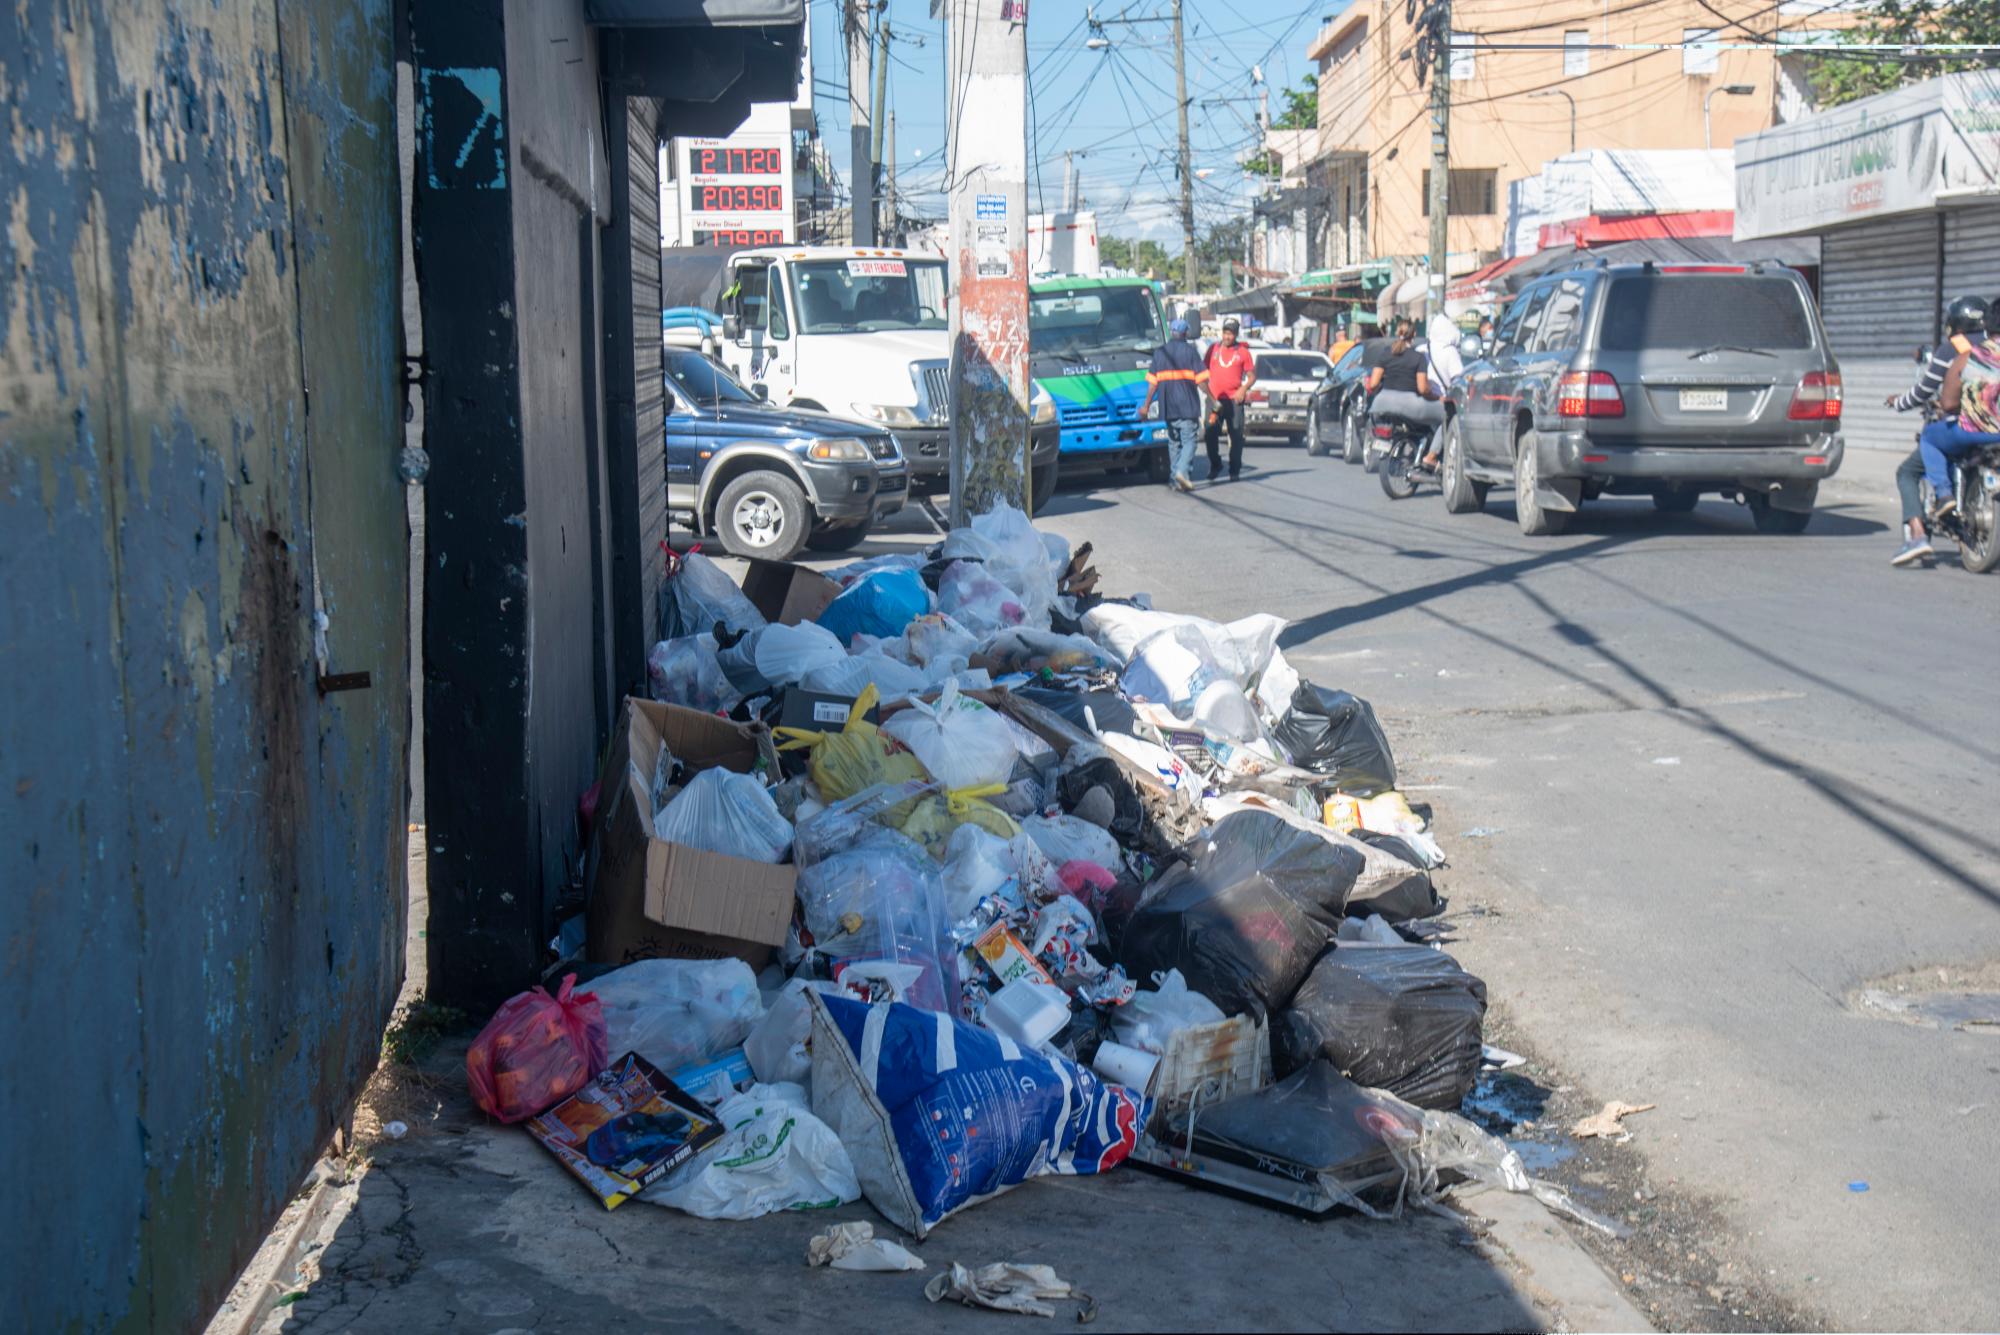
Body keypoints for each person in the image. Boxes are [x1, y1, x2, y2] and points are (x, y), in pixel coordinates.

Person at [1888, 294, 1989, 566]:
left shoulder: (1953, 349)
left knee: (1909, 470)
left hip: (1963, 426)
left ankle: (1919, 534)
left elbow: (1924, 391)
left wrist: (1898, 403)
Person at [1916, 298, 2000, 521]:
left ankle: (1944, 494)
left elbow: (1949, 404)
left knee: (1929, 438)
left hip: (1974, 430)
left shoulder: (1968, 355)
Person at [1140, 316, 1208, 493]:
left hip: (1168, 407)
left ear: (1172, 332)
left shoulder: (1160, 353)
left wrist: (1146, 406)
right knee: (1190, 441)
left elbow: (1152, 384)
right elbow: (1201, 381)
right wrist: (1213, 398)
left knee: (1174, 443)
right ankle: (1181, 472)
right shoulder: (1191, 352)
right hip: (1187, 406)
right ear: (1185, 333)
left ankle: (1174, 480)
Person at [1366, 319, 1447, 460]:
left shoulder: (1385, 353)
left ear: (1398, 332)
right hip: (1410, 405)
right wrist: (1436, 397)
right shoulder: (1418, 357)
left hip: (1382, 402)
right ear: (1414, 334)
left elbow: (1373, 384)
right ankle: (1431, 456)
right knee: (1447, 416)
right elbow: (1422, 389)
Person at [1203, 317, 1257, 482]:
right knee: (1210, 433)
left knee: (1236, 435)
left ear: (1236, 334)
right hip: (1215, 401)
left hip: (1234, 402)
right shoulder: (1213, 349)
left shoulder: (1243, 352)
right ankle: (1215, 464)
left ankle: (1234, 469)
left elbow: (1252, 376)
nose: (1227, 337)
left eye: (1231, 334)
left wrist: (1243, 389)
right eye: (1225, 333)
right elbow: (1203, 371)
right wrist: (1206, 389)